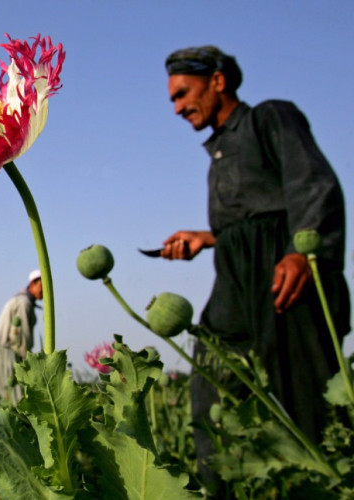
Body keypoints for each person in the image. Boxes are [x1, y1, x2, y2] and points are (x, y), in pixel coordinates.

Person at [160, 45, 350, 495]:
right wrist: (209, 238)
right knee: (210, 388)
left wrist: (304, 251)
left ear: (218, 81)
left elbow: (313, 184)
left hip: (285, 276)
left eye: (183, 93)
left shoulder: (269, 117)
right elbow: (247, 223)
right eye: (173, 99)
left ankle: (330, 487)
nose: (177, 107)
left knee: (308, 406)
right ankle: (221, 491)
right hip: (234, 284)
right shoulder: (219, 150)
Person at [0, 269, 43, 404]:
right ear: (32, 283)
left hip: (4, 350)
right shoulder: (23, 303)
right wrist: (28, 362)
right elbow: (22, 336)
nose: (44, 291)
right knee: (15, 396)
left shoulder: (22, 300)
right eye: (41, 286)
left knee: (5, 393)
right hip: (7, 352)